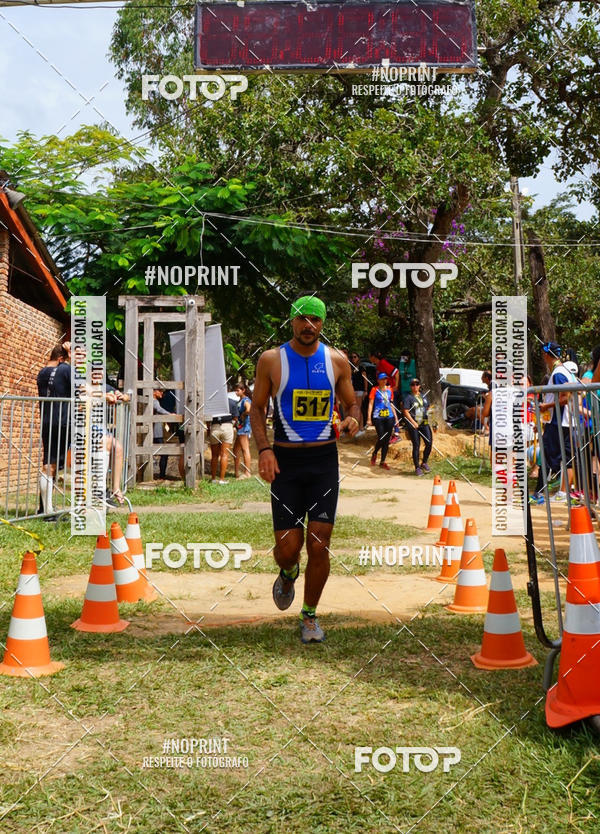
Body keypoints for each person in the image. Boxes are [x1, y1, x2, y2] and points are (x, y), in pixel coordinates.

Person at [250, 295, 360, 644]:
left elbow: (351, 402)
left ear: (322, 324)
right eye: (302, 319)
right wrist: (264, 449)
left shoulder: (337, 361)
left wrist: (353, 418)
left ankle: (309, 615)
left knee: (319, 542)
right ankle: (288, 571)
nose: (308, 325)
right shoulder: (272, 360)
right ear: (292, 322)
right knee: (287, 547)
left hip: (324, 462)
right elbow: (256, 409)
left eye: (315, 319)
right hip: (285, 462)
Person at [530, 342, 576, 503]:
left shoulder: (558, 373)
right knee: (564, 457)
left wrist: (545, 406)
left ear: (546, 355)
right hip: (564, 421)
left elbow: (564, 397)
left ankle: (539, 493)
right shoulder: (564, 371)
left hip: (559, 421)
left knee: (548, 457)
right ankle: (559, 490)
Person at [36, 343, 70, 518]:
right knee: (51, 465)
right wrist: (71, 356)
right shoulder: (64, 369)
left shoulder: (41, 373)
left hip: (47, 421)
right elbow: (80, 383)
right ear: (62, 359)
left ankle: (44, 507)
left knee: (49, 462)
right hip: (62, 421)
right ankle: (47, 511)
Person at [367, 372, 398, 470]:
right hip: (378, 417)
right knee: (381, 437)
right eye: (382, 379)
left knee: (387, 439)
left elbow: (391, 403)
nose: (385, 380)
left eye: (386, 379)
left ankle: (383, 461)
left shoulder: (390, 390)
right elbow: (371, 404)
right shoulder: (374, 390)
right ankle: (375, 452)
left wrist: (396, 417)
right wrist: (368, 418)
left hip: (389, 416)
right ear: (378, 380)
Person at [403, 378, 433, 476]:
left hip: (423, 422)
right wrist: (412, 422)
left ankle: (424, 462)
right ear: (411, 386)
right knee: (416, 445)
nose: (415, 386)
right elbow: (406, 411)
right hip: (414, 424)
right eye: (413, 384)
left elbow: (428, 407)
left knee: (429, 442)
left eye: (417, 384)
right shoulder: (408, 397)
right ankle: (417, 467)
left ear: (419, 385)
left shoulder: (423, 396)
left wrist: (431, 418)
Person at [208, 398, 236, 484]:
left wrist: (209, 429)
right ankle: (222, 479)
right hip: (227, 426)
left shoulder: (212, 401)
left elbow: (208, 418)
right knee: (225, 455)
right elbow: (235, 417)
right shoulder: (232, 402)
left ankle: (213, 478)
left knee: (214, 455)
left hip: (215, 426)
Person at [234, 382, 252, 478]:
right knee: (235, 449)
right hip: (240, 428)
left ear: (243, 390)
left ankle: (247, 473)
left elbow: (249, 410)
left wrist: (244, 414)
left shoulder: (246, 400)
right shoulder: (241, 400)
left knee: (245, 449)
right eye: (235, 390)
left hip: (244, 428)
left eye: (238, 390)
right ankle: (236, 472)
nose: (236, 392)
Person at [349, 351, 368, 436]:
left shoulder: (361, 367)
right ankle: (357, 428)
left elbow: (365, 379)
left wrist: (366, 390)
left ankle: (361, 428)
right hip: (353, 390)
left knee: (359, 409)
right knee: (355, 409)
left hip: (360, 390)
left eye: (355, 357)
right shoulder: (351, 367)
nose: (353, 359)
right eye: (352, 357)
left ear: (358, 358)